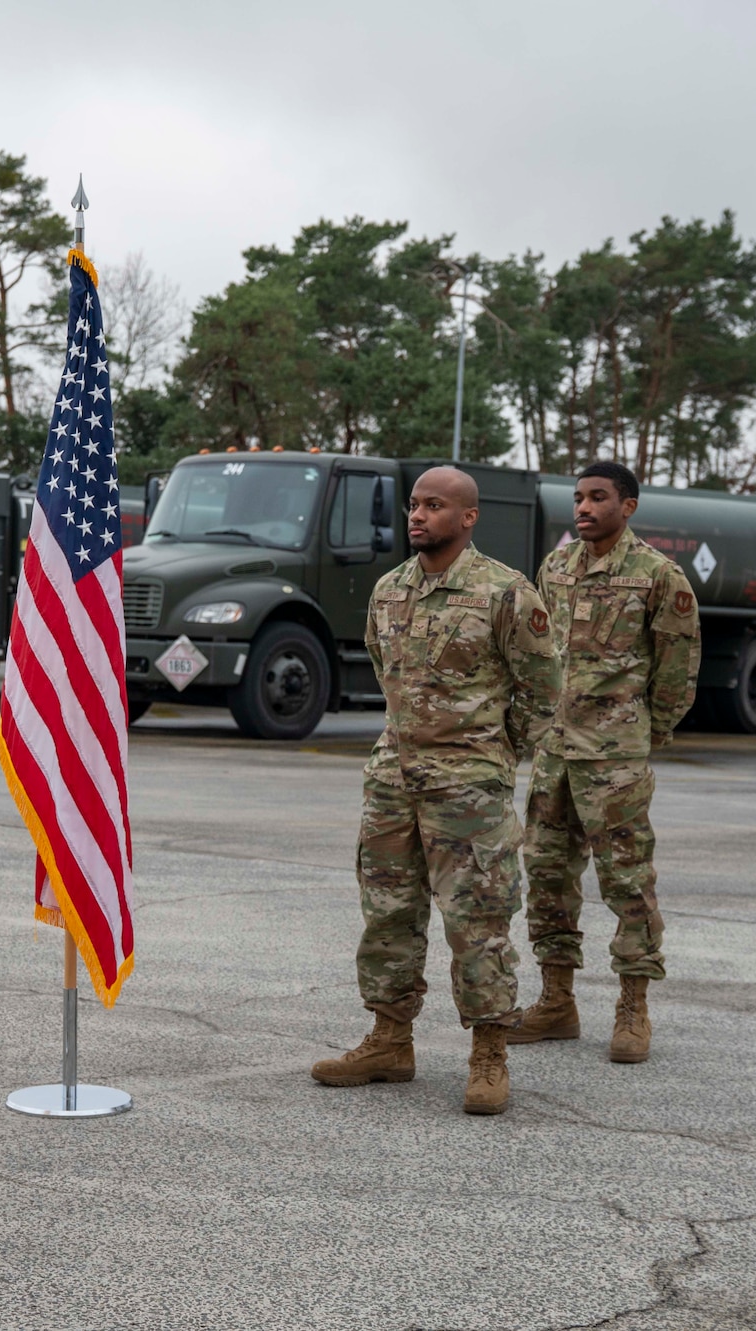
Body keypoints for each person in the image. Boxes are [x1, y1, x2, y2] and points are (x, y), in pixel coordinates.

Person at [312, 466, 561, 1115]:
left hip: (468, 788)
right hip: (394, 779)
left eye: (435, 505)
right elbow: (383, 666)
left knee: (478, 917)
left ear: (468, 516)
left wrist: (488, 753)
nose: (418, 515)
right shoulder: (390, 588)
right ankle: (390, 1040)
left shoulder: (506, 591)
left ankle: (489, 1051)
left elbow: (542, 691)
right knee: (388, 913)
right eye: (415, 504)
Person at [512, 461, 699, 1061]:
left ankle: (633, 1008)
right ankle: (557, 1002)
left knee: (626, 883)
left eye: (599, 498)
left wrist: (647, 733)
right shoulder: (556, 567)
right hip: (554, 754)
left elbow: (678, 668)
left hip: (613, 758)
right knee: (545, 877)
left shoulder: (657, 576)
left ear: (630, 505)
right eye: (579, 498)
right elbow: (540, 655)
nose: (585, 508)